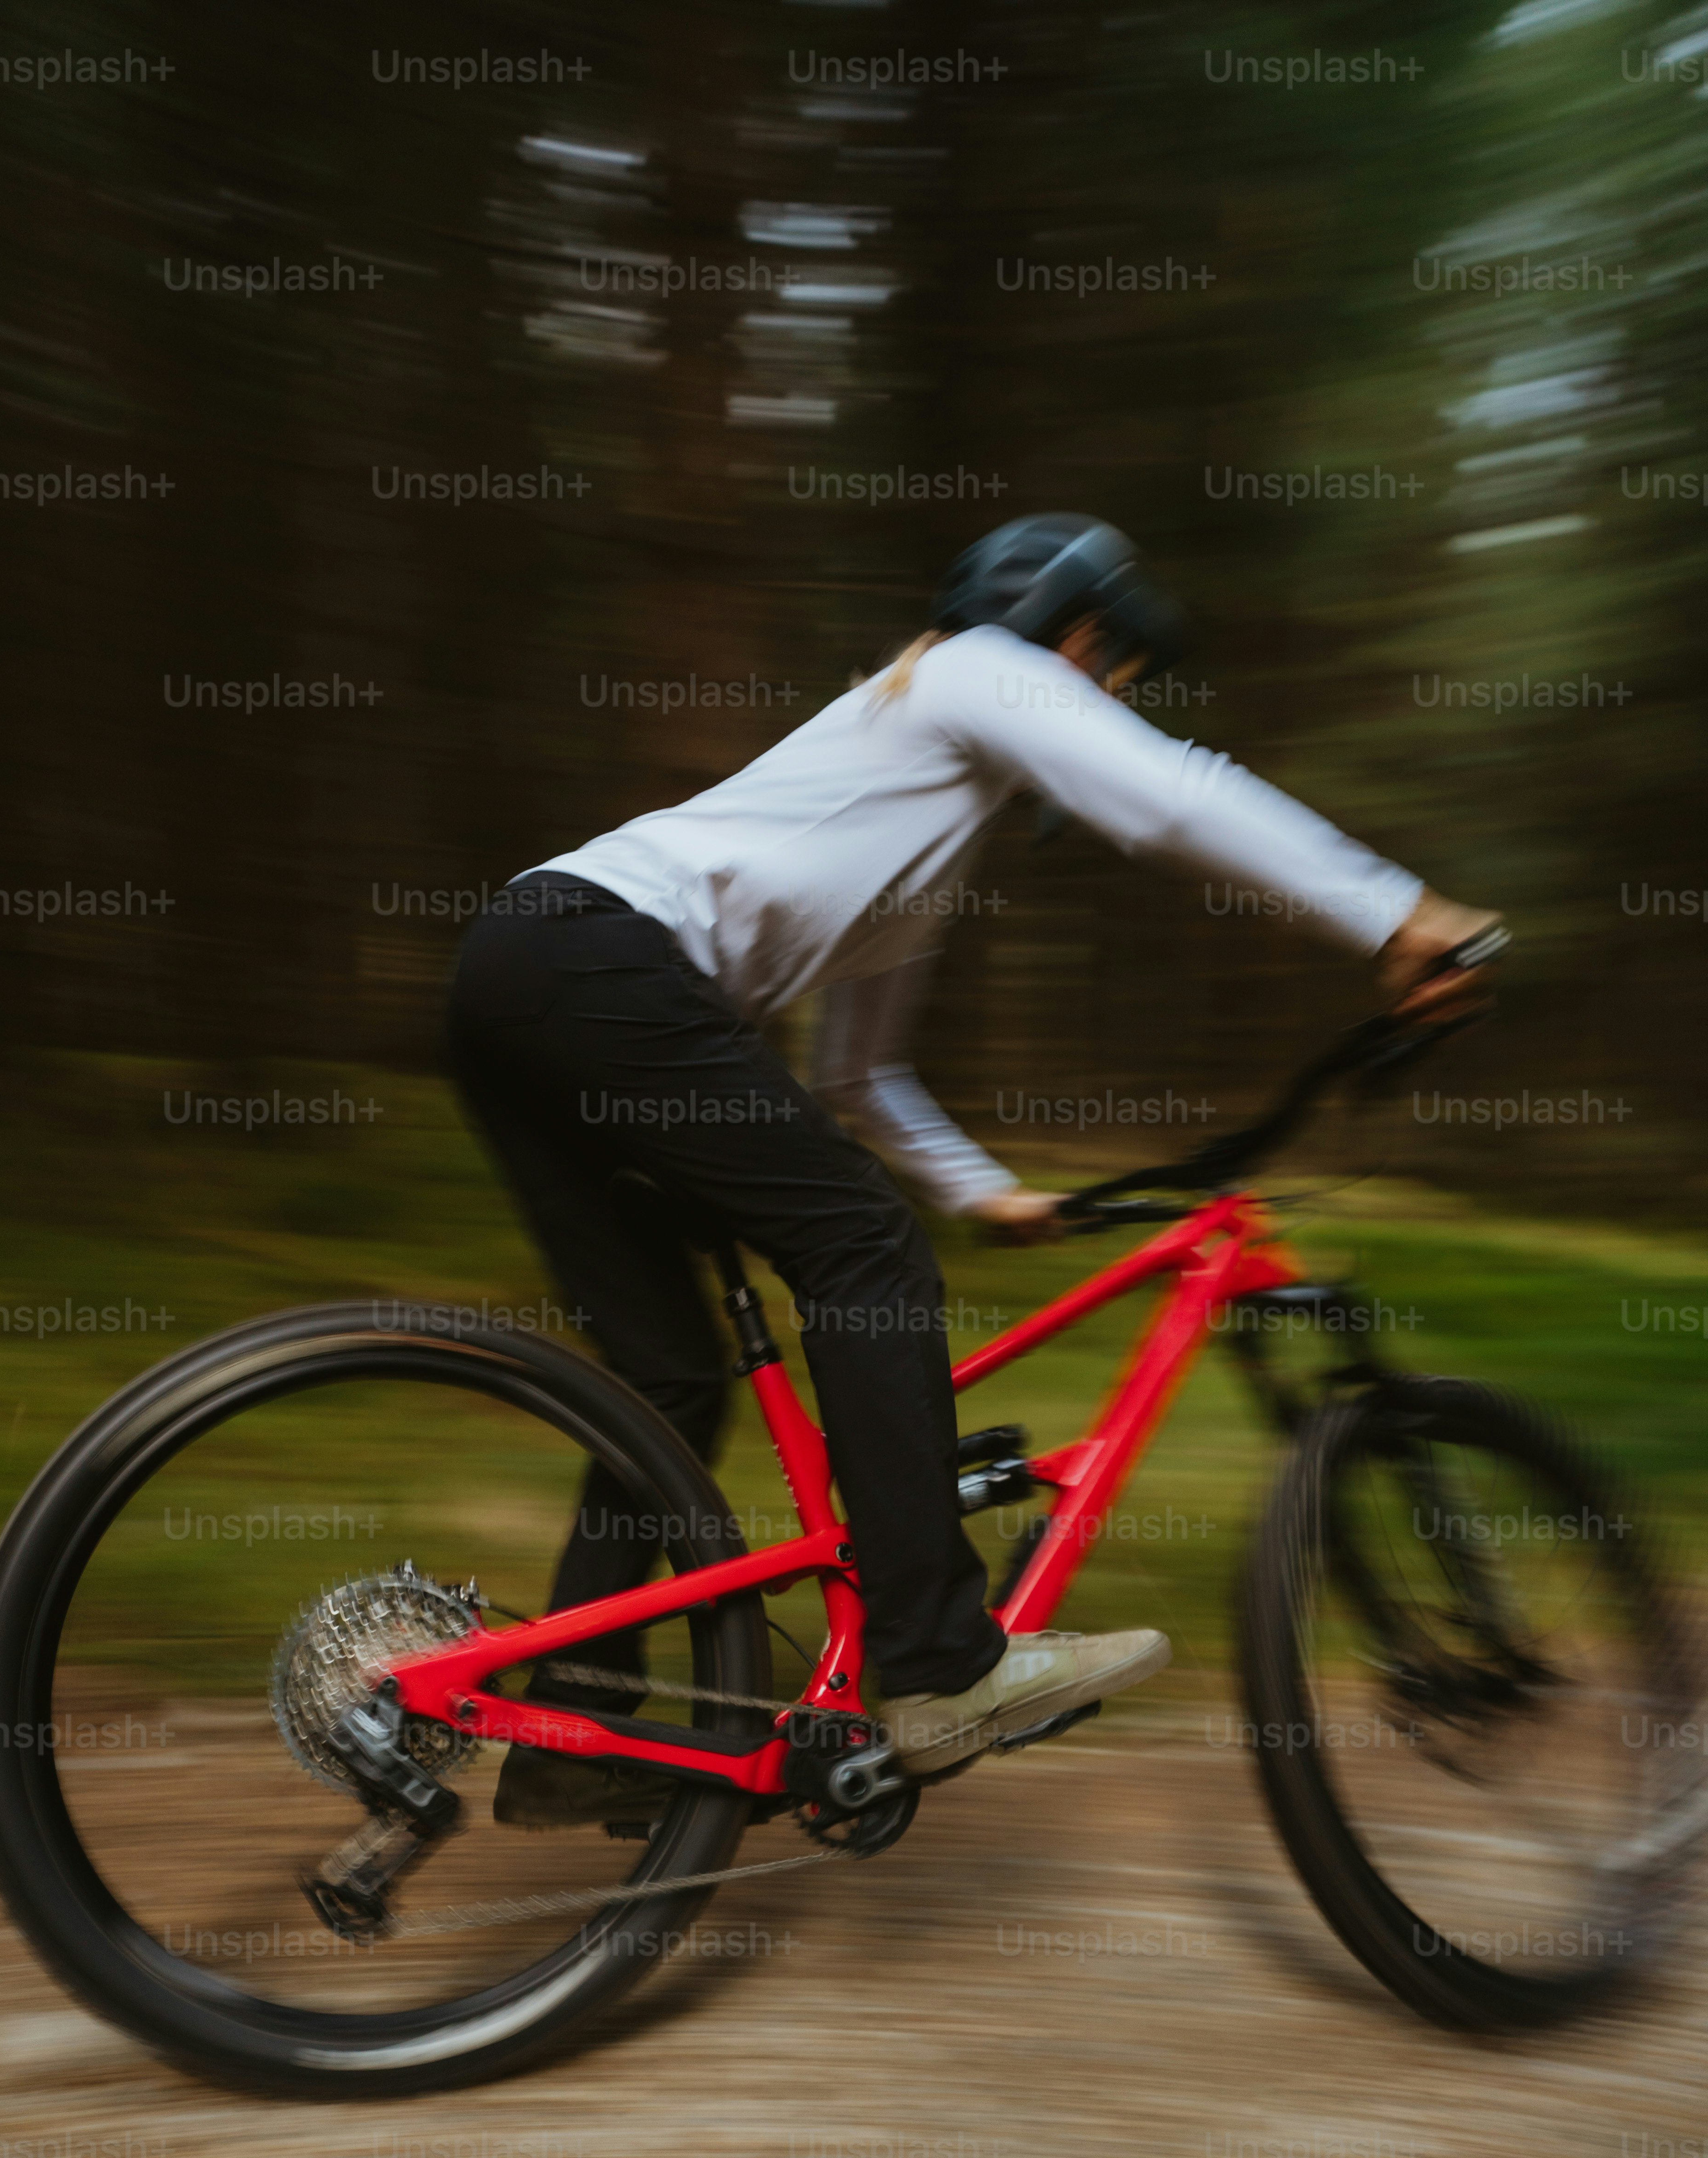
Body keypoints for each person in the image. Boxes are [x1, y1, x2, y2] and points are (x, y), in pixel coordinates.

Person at [446, 513, 1498, 1826]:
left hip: (519, 974)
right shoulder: (966, 674)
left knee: (669, 1377)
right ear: (1076, 630)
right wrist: (1397, 912)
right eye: (1116, 671)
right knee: (864, 1254)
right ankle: (943, 1665)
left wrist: (985, 1192)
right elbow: (1171, 793)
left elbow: (858, 1075)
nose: (1112, 701)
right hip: (594, 965)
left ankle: (567, 1728)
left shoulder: (915, 809)